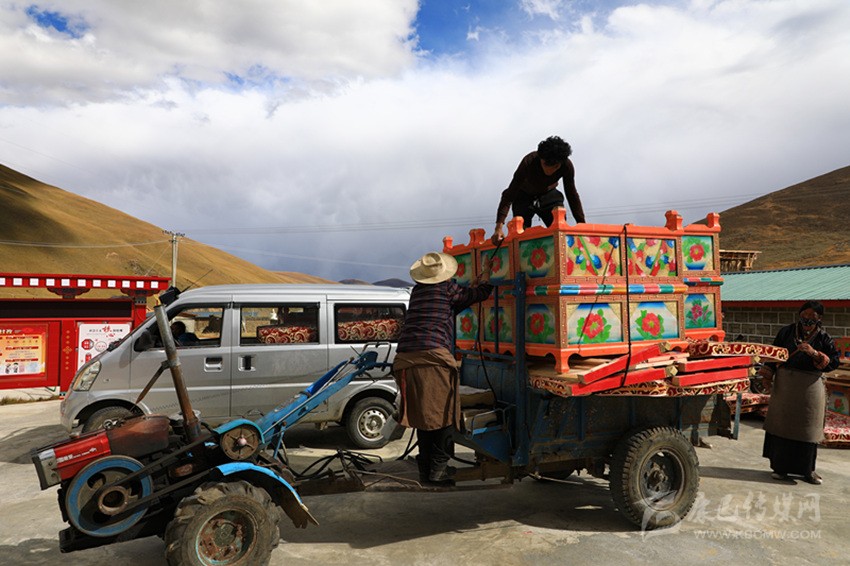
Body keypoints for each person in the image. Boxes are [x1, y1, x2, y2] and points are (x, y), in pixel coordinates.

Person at [393, 251, 493, 485]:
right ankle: (438, 469)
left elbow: (447, 309)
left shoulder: (417, 292)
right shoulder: (447, 289)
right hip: (432, 361)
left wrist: (468, 290)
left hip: (405, 361)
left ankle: (426, 469)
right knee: (444, 414)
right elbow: (479, 294)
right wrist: (487, 275)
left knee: (424, 416)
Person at [759, 301, 839, 484]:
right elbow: (773, 355)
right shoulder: (786, 332)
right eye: (805, 315)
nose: (807, 319)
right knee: (782, 426)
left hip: (810, 388)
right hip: (785, 386)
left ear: (819, 318)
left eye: (812, 316)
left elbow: (833, 363)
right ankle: (780, 469)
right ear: (799, 315)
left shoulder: (824, 338)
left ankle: (808, 471)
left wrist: (814, 353)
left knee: (808, 430)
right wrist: (766, 377)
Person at [491, 135, 586, 245]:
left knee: (559, 222)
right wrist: (498, 227)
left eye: (554, 167)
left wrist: (582, 225)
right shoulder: (529, 162)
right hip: (523, 195)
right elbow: (510, 194)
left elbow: (572, 194)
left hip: (548, 194)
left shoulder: (567, 166)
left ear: (559, 164)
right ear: (541, 158)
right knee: (521, 232)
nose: (549, 170)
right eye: (545, 164)